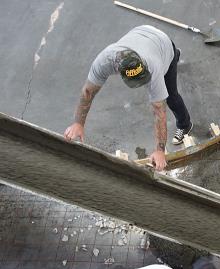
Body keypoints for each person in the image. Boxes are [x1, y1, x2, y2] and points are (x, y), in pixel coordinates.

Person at [64, 25, 194, 171]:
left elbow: (159, 111)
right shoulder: (105, 60)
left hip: (162, 44)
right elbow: (88, 91)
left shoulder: (153, 67)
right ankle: (174, 54)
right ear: (119, 70)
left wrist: (160, 150)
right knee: (162, 71)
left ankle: (185, 124)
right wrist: (78, 123)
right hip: (142, 33)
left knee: (171, 96)